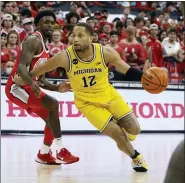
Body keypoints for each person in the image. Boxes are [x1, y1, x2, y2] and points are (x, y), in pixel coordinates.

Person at [13, 23, 148, 172]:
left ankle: (123, 126)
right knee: (117, 134)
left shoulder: (106, 52)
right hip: (87, 104)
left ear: (91, 38)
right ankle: (136, 158)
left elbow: (127, 70)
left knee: (135, 130)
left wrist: (148, 79)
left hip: (110, 96)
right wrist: (23, 78)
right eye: (73, 36)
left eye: (80, 36)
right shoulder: (64, 57)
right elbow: (38, 71)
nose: (75, 39)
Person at [5, 10, 79, 165]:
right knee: (53, 105)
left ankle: (44, 154)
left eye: (52, 22)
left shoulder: (46, 47)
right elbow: (21, 68)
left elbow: (42, 80)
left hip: (28, 87)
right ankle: (60, 150)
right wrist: (32, 83)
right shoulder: (33, 40)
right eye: (46, 22)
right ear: (37, 25)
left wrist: (57, 88)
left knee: (51, 119)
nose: (50, 25)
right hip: (16, 88)